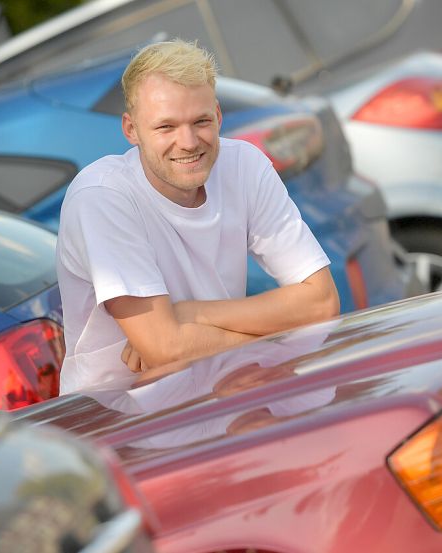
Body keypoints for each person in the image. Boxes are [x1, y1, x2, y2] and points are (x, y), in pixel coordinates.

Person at [56, 39, 339, 395]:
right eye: (166, 127)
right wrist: (271, 334)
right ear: (131, 130)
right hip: (127, 424)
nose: (188, 141)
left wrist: (192, 313)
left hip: (226, 395)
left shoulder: (244, 166)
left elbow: (322, 301)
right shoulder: (102, 197)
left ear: (218, 117)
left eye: (200, 121)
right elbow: (164, 349)